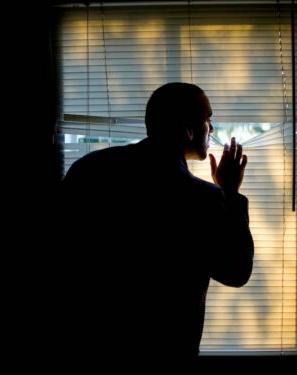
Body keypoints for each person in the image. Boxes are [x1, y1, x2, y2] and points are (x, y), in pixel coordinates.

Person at [58, 82, 254, 363]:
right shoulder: (200, 198)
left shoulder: (89, 169)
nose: (211, 128)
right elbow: (237, 270)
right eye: (207, 119)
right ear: (188, 129)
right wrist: (231, 194)